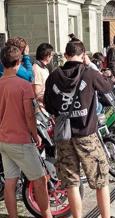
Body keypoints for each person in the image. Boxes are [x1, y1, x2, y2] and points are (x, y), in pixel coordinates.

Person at [44, 40, 113, 218]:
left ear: (65, 55)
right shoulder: (89, 73)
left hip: (64, 136)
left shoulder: (54, 76)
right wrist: (90, 65)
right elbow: (107, 86)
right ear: (83, 55)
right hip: (87, 134)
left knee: (71, 182)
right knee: (100, 179)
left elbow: (49, 106)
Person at [0, 46, 52, 218]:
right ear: (19, 62)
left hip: (4, 139)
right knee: (40, 179)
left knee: (10, 181)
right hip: (20, 139)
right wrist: (35, 135)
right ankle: (46, 214)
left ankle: (13, 216)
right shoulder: (23, 85)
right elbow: (29, 115)